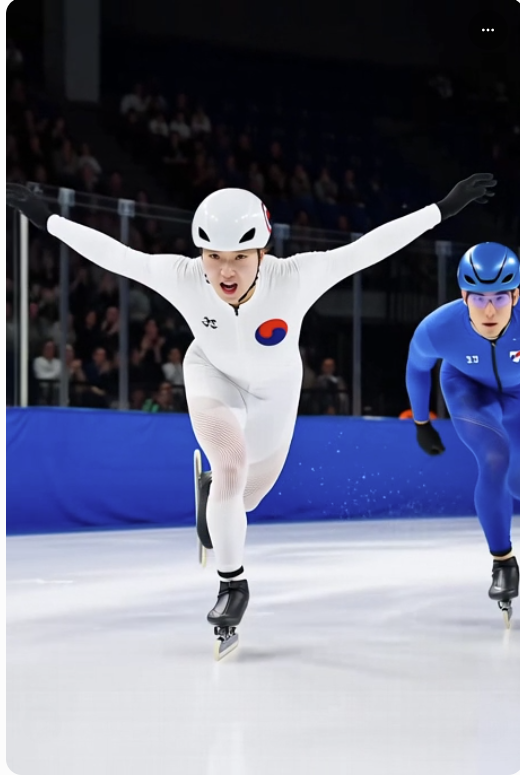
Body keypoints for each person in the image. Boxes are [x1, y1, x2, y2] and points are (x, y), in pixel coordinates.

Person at [7, 174, 496, 655]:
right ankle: (232, 585)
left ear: (262, 253)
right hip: (210, 376)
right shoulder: (183, 277)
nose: (225, 271)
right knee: (231, 466)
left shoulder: (296, 277)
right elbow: (116, 255)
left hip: (276, 393)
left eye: (239, 257)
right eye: (214, 257)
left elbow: (369, 247)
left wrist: (443, 208)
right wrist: (47, 219)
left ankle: (212, 499)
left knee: (244, 499)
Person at [405, 242, 520, 624]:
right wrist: (422, 422)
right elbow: (417, 368)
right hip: (468, 392)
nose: (489, 310)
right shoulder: (439, 327)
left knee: (517, 483)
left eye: (501, 298)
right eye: (479, 298)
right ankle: (503, 562)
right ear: (463, 296)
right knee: (494, 458)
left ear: (516, 295)